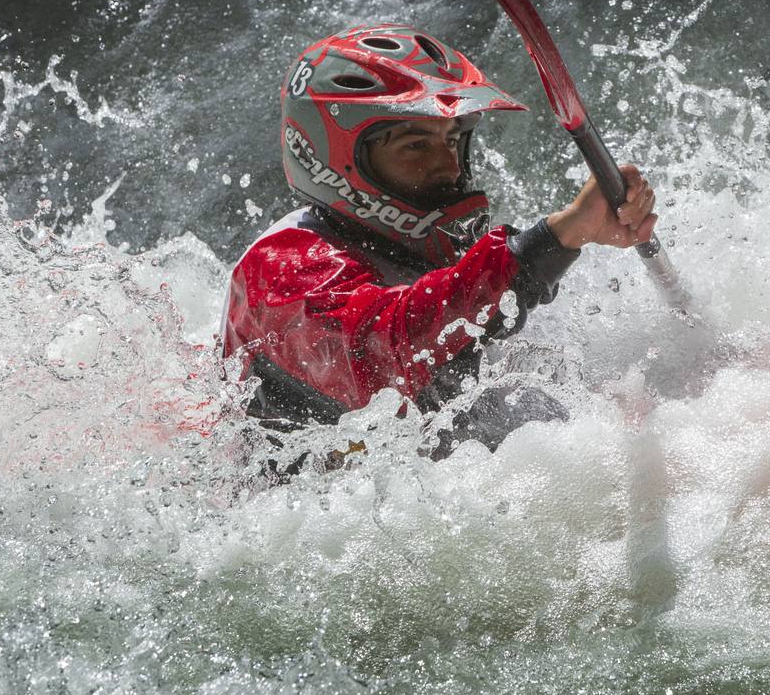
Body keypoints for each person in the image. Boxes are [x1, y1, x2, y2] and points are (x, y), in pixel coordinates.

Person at [220, 23, 656, 455]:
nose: (448, 166)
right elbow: (385, 346)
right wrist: (558, 235)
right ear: (332, 159)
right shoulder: (281, 269)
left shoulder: (418, 246)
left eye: (453, 140)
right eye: (416, 146)